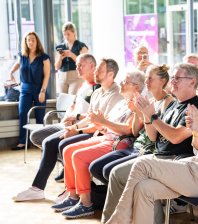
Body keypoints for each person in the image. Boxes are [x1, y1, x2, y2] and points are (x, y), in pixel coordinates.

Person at [105, 55, 198, 224]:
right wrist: (196, 133)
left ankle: (118, 219)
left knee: (142, 165)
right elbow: (197, 147)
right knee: (144, 188)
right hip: (197, 165)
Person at [101, 63, 198, 223]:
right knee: (116, 174)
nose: (172, 81)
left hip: (175, 161)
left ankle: (119, 219)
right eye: (172, 78)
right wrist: (146, 114)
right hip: (158, 156)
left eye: (177, 78)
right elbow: (153, 137)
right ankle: (111, 220)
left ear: (192, 82)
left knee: (143, 185)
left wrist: (153, 117)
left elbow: (175, 137)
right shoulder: (174, 104)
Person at [13, 58, 123, 202]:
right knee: (48, 142)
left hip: (99, 135)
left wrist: (77, 130)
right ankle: (39, 188)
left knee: (61, 144)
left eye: (99, 70)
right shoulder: (98, 92)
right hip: (89, 129)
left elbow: (102, 125)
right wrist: (74, 127)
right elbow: (90, 117)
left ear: (110, 74)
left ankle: (68, 190)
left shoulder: (116, 94)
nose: (96, 72)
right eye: (96, 69)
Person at [50, 70, 145, 218]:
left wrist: (103, 122)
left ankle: (86, 203)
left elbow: (129, 130)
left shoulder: (139, 104)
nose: (120, 82)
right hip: (107, 137)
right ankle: (72, 196)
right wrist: (99, 124)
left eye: (125, 81)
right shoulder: (121, 102)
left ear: (136, 87)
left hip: (118, 143)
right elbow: (106, 124)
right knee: (68, 150)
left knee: (78, 156)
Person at [89, 64, 174, 184]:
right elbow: (135, 132)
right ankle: (108, 198)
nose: (146, 81)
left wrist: (146, 114)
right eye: (146, 78)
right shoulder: (150, 101)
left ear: (162, 81)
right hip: (135, 147)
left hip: (148, 150)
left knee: (109, 170)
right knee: (95, 167)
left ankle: (121, 198)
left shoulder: (168, 101)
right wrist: (136, 112)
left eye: (150, 78)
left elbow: (153, 137)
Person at [29, 53, 100, 150]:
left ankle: (59, 152)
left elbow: (95, 116)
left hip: (80, 127)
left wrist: (75, 120)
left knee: (49, 143)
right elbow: (72, 105)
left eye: (80, 65)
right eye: (76, 65)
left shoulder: (98, 88)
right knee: (35, 136)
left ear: (92, 66)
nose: (77, 68)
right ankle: (57, 153)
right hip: (67, 124)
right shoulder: (82, 85)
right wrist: (67, 117)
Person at [7, 32, 50, 150]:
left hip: (39, 89)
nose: (30, 42)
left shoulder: (43, 57)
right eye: (28, 40)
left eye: (33, 40)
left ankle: (40, 142)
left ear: (37, 42)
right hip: (25, 90)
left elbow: (47, 75)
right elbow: (16, 65)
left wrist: (42, 91)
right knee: (23, 115)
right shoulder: (22, 55)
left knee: (40, 116)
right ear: (25, 42)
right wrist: (11, 73)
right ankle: (22, 142)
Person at [55, 22, 88, 95]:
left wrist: (71, 55)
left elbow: (84, 63)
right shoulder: (60, 47)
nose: (66, 36)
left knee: (72, 99)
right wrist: (60, 58)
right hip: (62, 77)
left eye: (68, 34)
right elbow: (57, 67)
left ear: (74, 33)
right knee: (62, 101)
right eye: (64, 34)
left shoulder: (81, 46)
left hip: (76, 77)